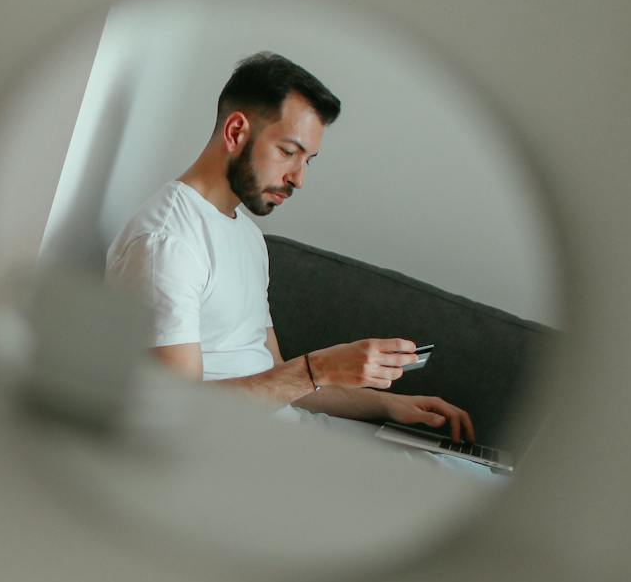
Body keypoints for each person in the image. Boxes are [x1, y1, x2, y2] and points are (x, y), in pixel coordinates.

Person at [104, 51, 475, 445]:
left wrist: (388, 406)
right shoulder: (167, 244)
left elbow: (276, 376)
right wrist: (318, 370)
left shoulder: (247, 237)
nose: (298, 179)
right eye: (288, 152)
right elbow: (173, 414)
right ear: (235, 132)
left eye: (308, 160)